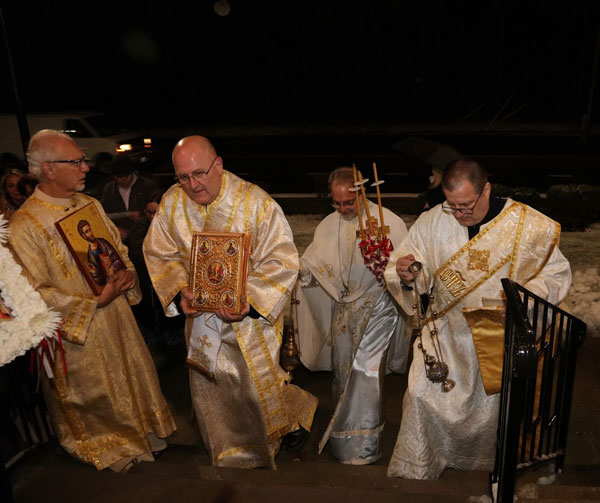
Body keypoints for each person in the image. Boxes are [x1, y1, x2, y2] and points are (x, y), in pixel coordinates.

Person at [384, 158, 571, 479]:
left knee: (490, 412)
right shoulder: (432, 221)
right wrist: (405, 272)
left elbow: (556, 274)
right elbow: (412, 265)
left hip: (496, 332)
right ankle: (421, 465)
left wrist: (520, 298)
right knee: (418, 395)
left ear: (486, 189)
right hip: (444, 332)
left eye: (466, 206)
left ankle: (486, 468)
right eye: (452, 206)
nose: (459, 214)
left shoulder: (526, 225)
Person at [143, 136, 317, 469]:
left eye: (199, 174)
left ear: (218, 165)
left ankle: (282, 427)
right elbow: (159, 252)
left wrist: (247, 300)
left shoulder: (256, 203)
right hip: (200, 320)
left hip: (248, 320)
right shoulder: (171, 204)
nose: (192, 185)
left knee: (253, 386)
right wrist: (181, 289)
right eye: (182, 177)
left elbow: (282, 259)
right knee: (210, 384)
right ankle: (225, 447)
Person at [8, 129, 176, 472]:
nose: (86, 167)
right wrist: (93, 302)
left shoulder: (89, 204)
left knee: (129, 372)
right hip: (79, 331)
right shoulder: (24, 225)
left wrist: (126, 272)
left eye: (83, 160)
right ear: (49, 169)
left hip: (117, 317)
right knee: (97, 389)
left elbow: (118, 249)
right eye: (76, 161)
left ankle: (142, 431)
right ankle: (107, 443)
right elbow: (33, 292)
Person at [295, 166, 410, 465]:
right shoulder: (328, 224)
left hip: (376, 309)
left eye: (349, 203)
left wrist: (390, 267)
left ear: (362, 193)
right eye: (337, 203)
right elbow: (314, 263)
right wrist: (302, 272)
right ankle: (343, 434)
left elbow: (405, 268)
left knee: (368, 375)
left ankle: (367, 442)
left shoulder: (389, 222)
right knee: (343, 372)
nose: (343, 209)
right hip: (343, 309)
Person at [100, 155, 158, 240]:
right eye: (116, 178)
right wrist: (114, 229)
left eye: (124, 178)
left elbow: (158, 213)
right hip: (119, 239)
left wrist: (141, 216)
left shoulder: (148, 186)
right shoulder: (109, 189)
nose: (120, 181)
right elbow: (102, 215)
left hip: (144, 238)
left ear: (132, 174)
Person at [77, 219, 126, 286]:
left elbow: (118, 259)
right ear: (83, 236)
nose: (91, 233)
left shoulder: (103, 242)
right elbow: (99, 281)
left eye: (90, 229)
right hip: (110, 285)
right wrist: (95, 272)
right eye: (87, 231)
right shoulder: (90, 255)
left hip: (120, 276)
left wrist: (113, 268)